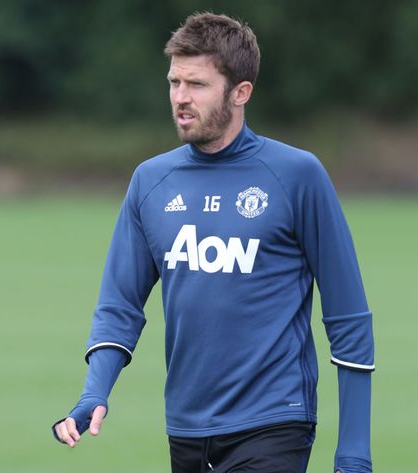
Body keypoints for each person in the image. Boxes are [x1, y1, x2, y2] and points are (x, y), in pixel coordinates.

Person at [53, 12, 375, 473]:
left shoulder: (297, 176)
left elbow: (349, 318)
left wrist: (354, 453)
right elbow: (119, 305)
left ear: (241, 92)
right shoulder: (151, 181)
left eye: (197, 85)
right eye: (174, 82)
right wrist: (94, 392)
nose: (180, 98)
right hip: (185, 429)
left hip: (274, 423)